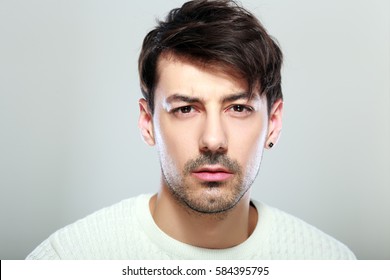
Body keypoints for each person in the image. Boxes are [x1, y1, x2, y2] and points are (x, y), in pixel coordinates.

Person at [27, 0, 355, 259]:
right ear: (147, 123)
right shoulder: (69, 260)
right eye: (186, 109)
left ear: (274, 123)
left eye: (238, 108)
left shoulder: (328, 262)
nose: (213, 140)